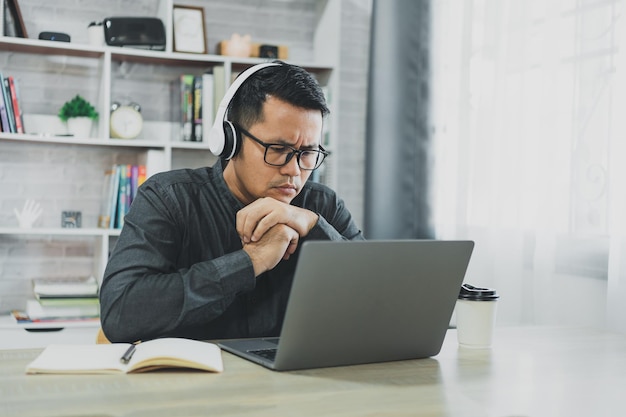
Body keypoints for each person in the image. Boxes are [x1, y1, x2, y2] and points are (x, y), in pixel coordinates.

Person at [100, 61, 364, 343]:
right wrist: (251, 261)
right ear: (230, 140)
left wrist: (314, 226)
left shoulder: (322, 206)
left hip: (299, 382)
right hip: (195, 381)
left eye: (308, 152)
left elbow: (375, 299)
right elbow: (121, 312)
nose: (295, 170)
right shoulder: (169, 198)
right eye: (278, 150)